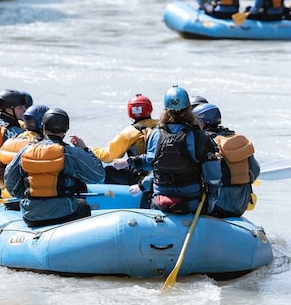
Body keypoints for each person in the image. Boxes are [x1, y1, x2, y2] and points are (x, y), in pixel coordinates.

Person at [112, 86, 221, 215]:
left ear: (165, 110)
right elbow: (213, 176)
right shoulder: (199, 137)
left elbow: (149, 162)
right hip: (191, 203)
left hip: (160, 202)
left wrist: (128, 162)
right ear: (188, 110)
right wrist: (211, 199)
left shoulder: (155, 134)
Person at [4, 108, 106, 227]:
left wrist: (29, 196)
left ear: (43, 128)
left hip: (31, 216)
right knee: (83, 205)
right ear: (65, 130)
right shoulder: (72, 153)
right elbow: (98, 176)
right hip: (66, 215)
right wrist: (85, 149)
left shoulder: (25, 151)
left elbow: (10, 182)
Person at [193, 103, 260, 217]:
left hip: (217, 204)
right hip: (241, 203)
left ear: (203, 122)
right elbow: (255, 171)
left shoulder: (205, 141)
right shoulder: (237, 140)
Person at [92, 94, 158, 186]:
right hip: (159, 174)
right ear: (150, 108)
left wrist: (89, 150)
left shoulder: (130, 132)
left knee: (108, 171)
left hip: (141, 177)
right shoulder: (160, 126)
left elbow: (108, 156)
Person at [0, 104, 49, 190]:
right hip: (28, 197)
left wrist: (5, 188)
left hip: (8, 194)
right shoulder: (43, 145)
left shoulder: (12, 140)